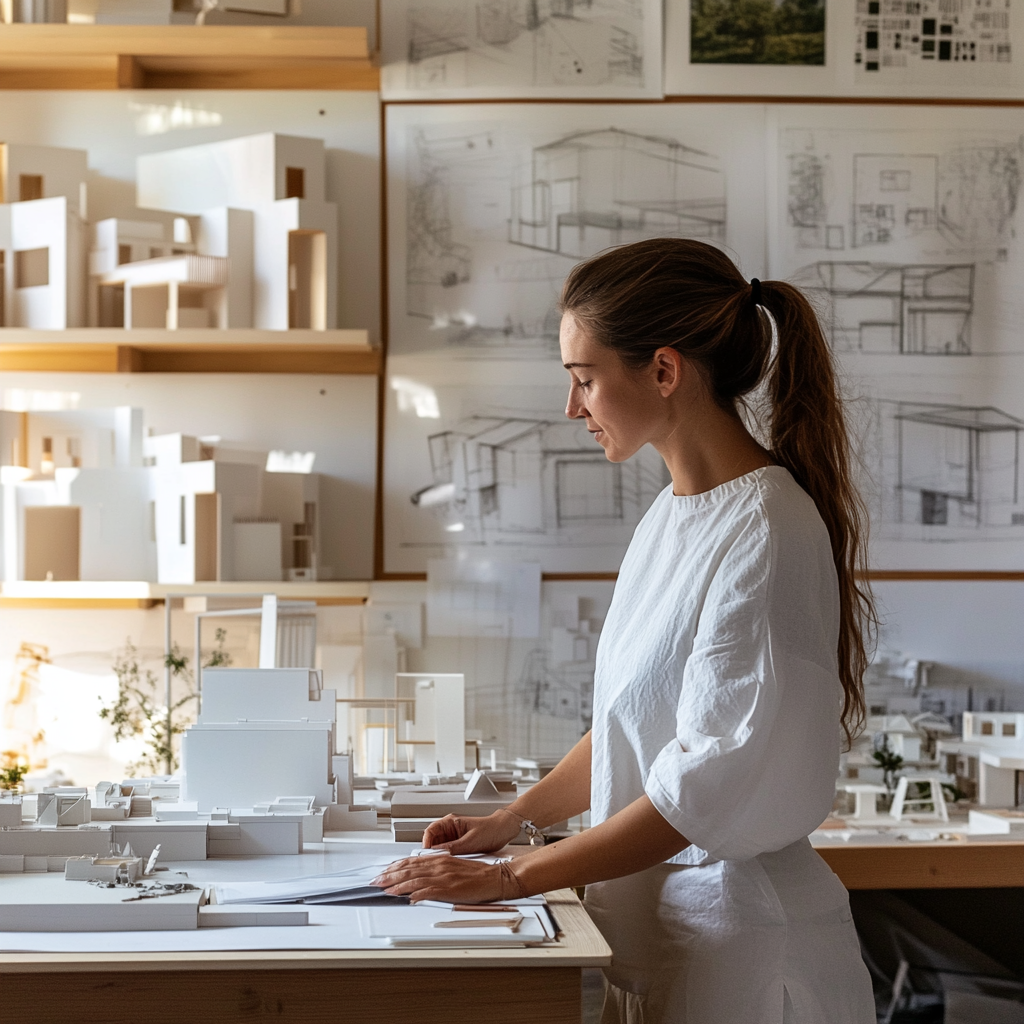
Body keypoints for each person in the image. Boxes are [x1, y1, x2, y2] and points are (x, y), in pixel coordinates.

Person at [371, 238, 878, 1024]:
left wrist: (514, 878)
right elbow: (631, 722)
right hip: (666, 932)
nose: (573, 407)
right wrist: (513, 821)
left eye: (585, 378)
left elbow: (698, 787)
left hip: (742, 947)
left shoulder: (767, 529)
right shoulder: (671, 518)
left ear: (665, 371)